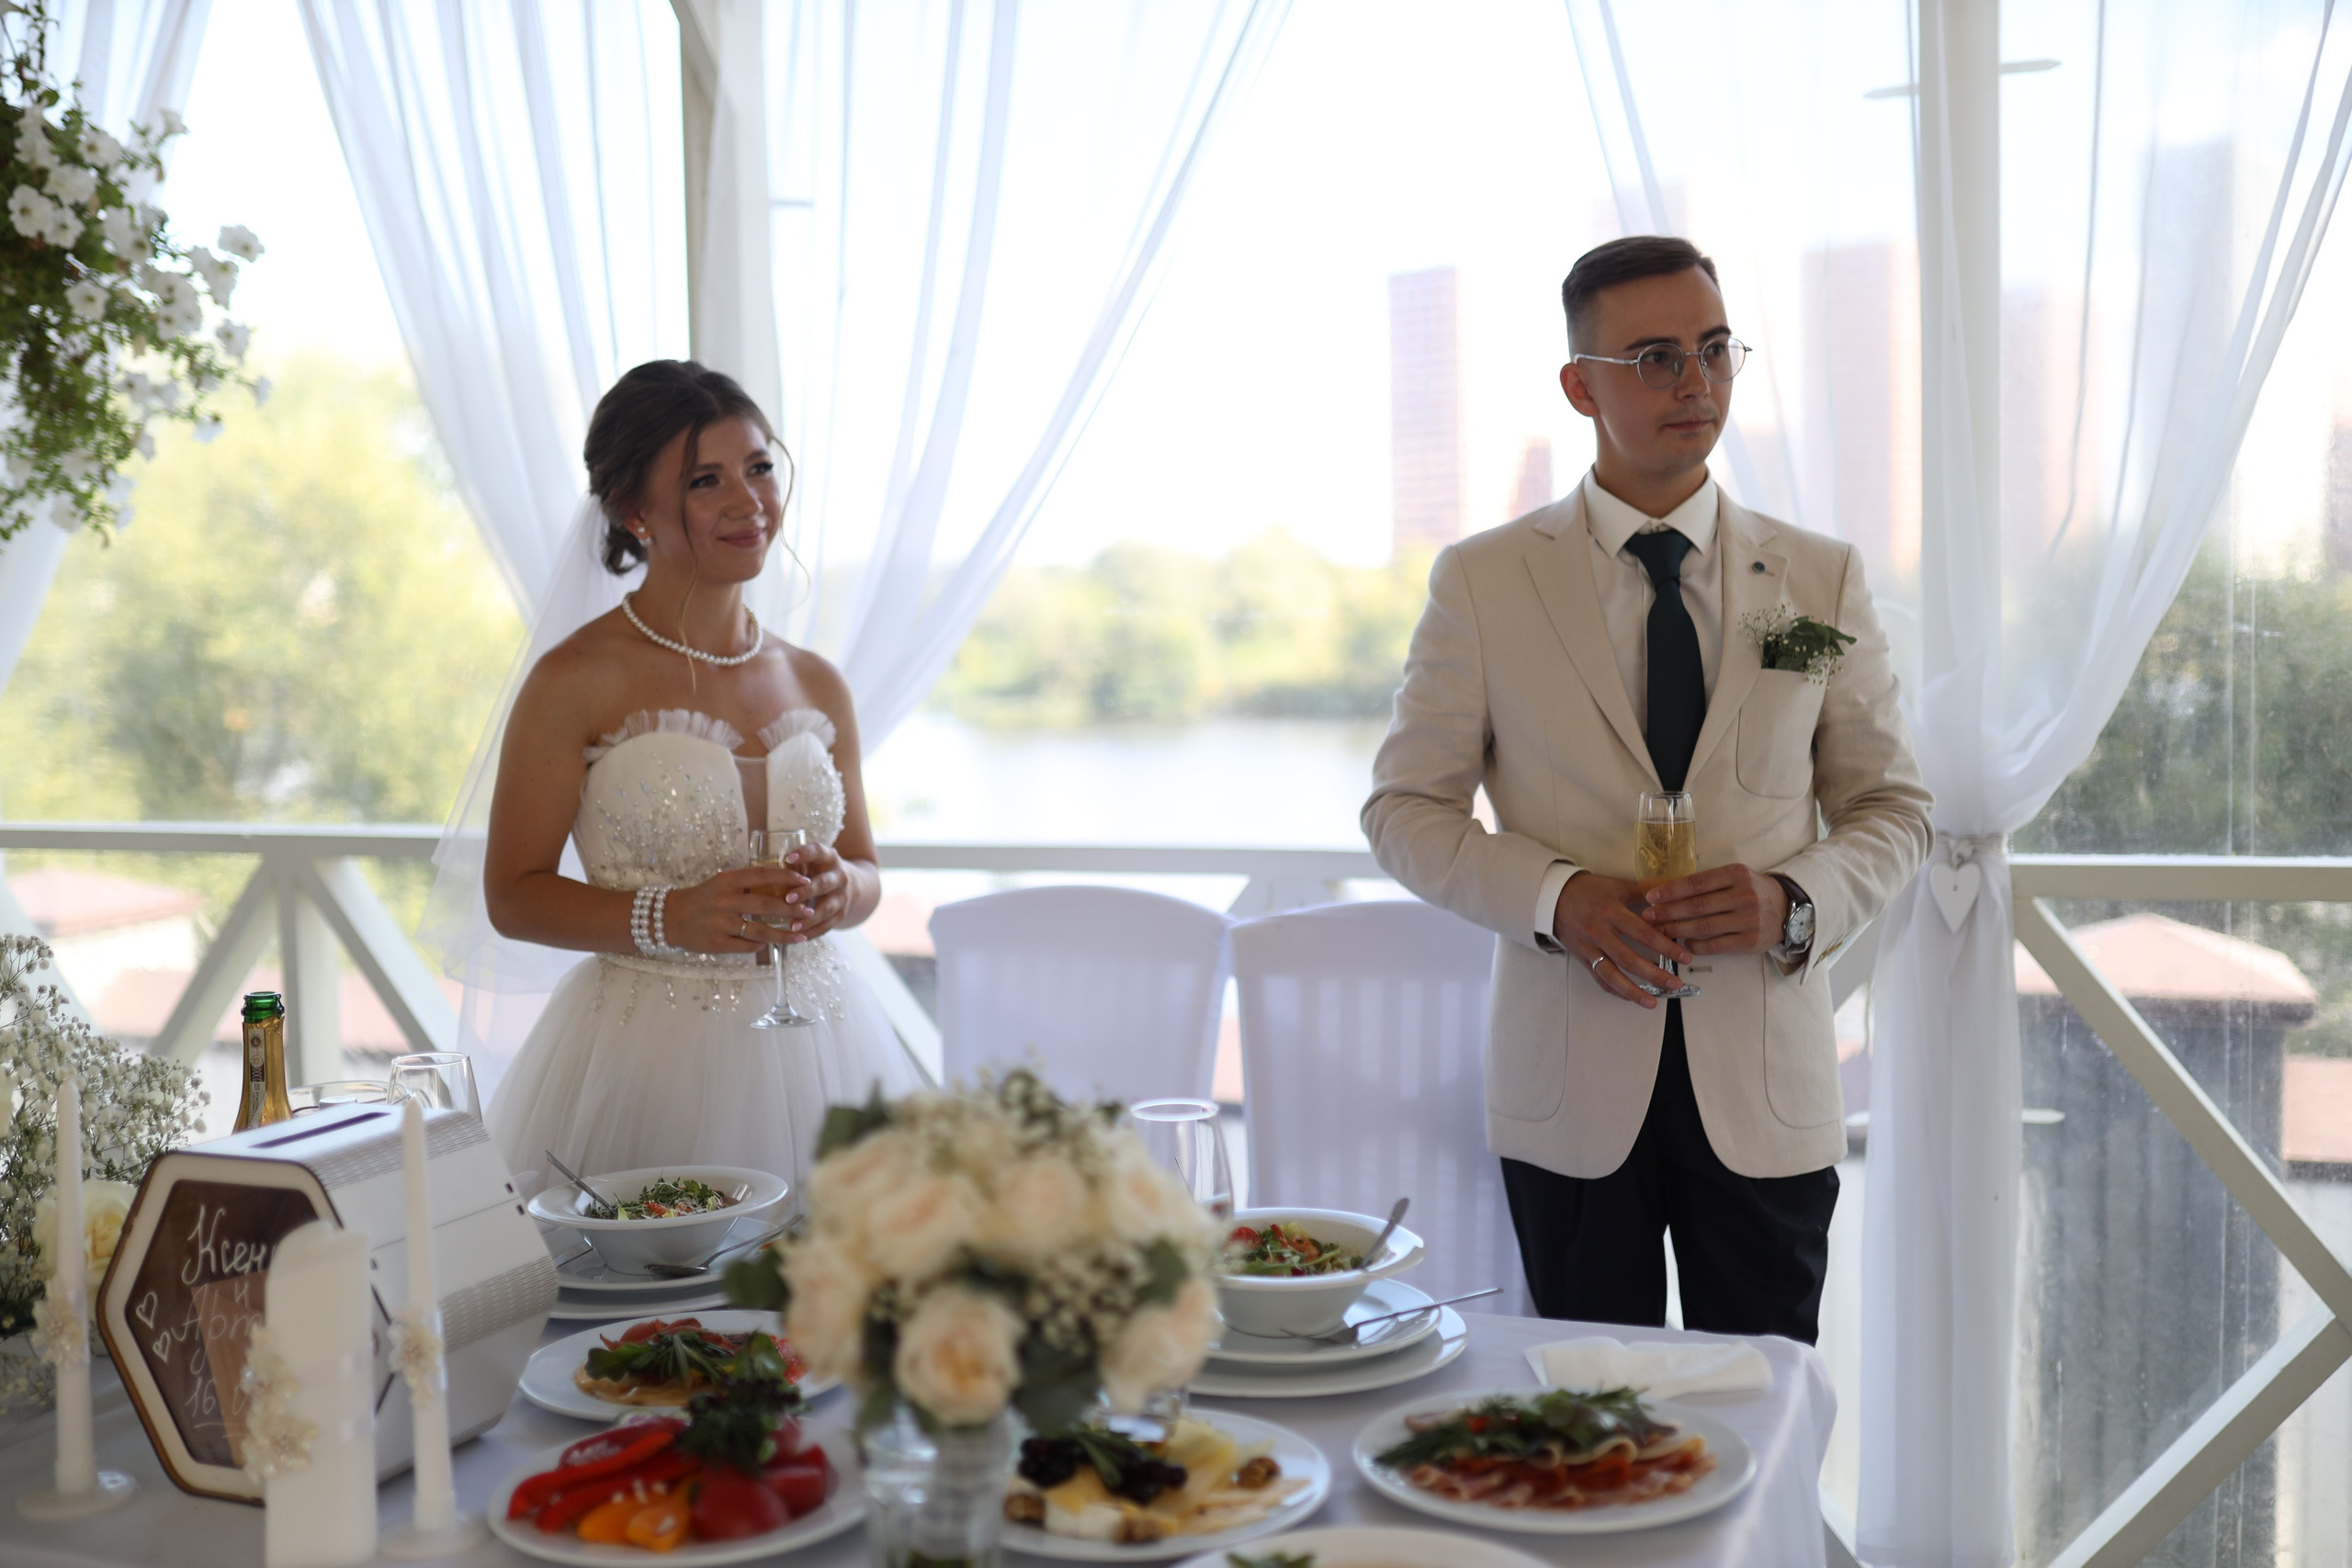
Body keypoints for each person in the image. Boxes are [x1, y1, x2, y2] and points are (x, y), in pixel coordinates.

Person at [1362, 237, 1932, 1342]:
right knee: (1585, 1419)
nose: (1696, 383)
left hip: (1764, 1088)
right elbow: (1403, 811)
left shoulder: (1817, 581)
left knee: (1766, 1417)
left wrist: (1793, 899)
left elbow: (1891, 807)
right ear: (1581, 386)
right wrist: (1555, 900)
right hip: (1569, 1087)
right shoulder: (1484, 581)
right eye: (1657, 356)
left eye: (1715, 350)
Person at [479, 359, 921, 1201]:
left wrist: (841, 892)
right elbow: (514, 894)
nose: (749, 501)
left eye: (759, 467)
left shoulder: (818, 682)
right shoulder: (573, 680)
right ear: (633, 512)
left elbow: (866, 871)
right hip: (647, 1057)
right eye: (705, 481)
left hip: (823, 1045)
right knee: (657, 1318)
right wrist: (670, 914)